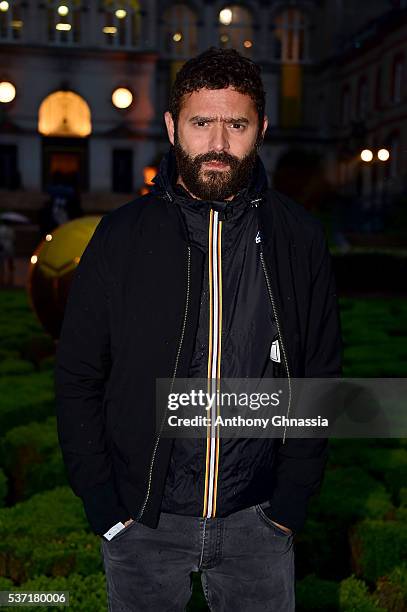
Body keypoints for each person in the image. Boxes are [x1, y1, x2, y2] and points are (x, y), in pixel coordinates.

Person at [55, 47, 342, 611]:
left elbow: (321, 375)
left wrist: (288, 507)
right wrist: (105, 508)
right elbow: (78, 376)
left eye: (235, 124)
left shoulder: (299, 238)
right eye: (200, 123)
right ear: (171, 127)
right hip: (144, 523)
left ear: (260, 127)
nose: (217, 144)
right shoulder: (120, 237)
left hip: (257, 525)